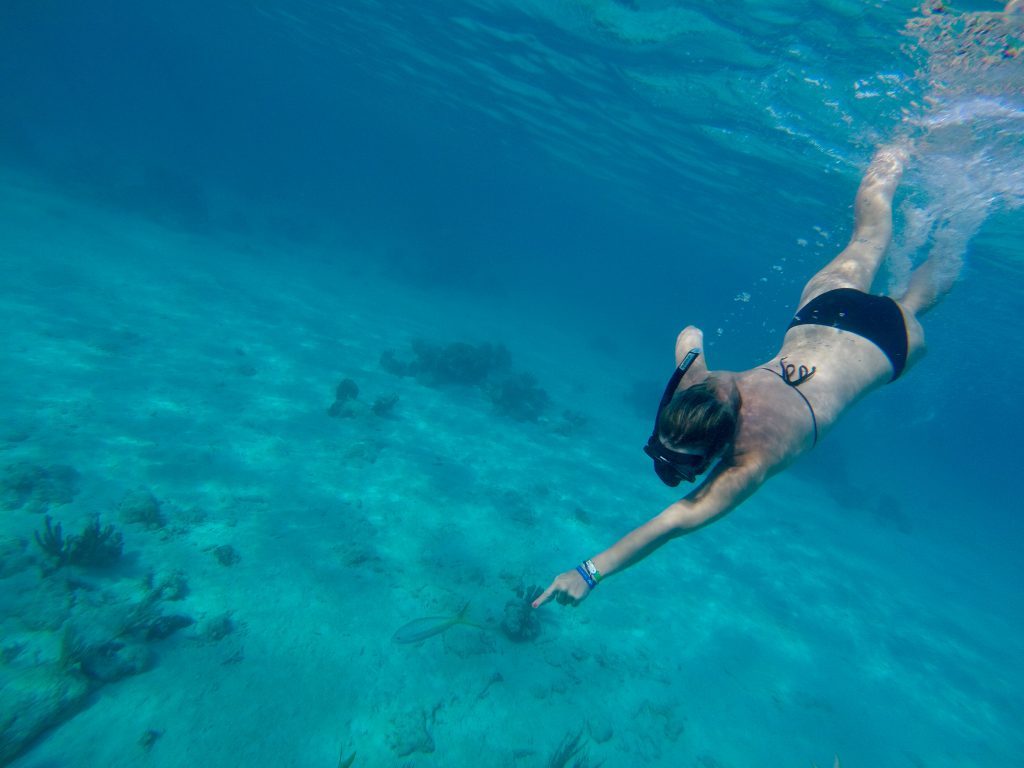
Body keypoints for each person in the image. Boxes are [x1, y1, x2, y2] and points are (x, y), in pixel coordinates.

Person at [533, 143, 956, 609]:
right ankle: (894, 155)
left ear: (720, 446)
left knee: (915, 301)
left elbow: (677, 519)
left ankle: (960, 219)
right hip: (824, 314)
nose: (685, 475)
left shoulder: (753, 458)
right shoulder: (704, 387)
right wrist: (689, 357)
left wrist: (589, 573)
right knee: (867, 241)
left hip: (889, 344)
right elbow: (690, 334)